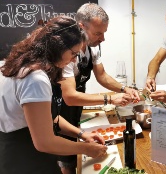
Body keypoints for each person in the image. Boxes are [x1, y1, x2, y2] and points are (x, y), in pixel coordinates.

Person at [0, 16, 108, 174]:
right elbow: (44, 142)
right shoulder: (35, 78)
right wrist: (85, 149)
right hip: (24, 159)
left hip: (17, 152)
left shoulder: (20, 64)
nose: (73, 60)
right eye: (73, 53)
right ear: (58, 47)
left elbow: (49, 118)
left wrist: (82, 134)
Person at [51, 3, 140, 174]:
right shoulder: (67, 54)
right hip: (61, 114)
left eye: (104, 33)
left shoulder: (92, 48)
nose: (102, 38)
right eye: (98, 33)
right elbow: (69, 96)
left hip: (77, 110)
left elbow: (102, 76)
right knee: (68, 162)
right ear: (81, 27)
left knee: (81, 159)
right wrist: (109, 99)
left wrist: (124, 89)